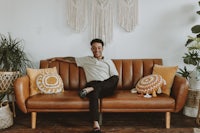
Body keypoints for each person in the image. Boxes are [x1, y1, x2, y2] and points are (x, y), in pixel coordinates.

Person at [49, 38, 119, 133]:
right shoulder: (86, 60)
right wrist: (57, 58)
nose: (97, 50)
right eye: (94, 48)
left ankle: (90, 89)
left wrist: (95, 87)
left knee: (115, 78)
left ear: (102, 48)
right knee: (94, 93)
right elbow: (72, 59)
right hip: (93, 84)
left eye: (99, 48)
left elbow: (115, 77)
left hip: (106, 87)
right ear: (91, 49)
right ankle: (96, 124)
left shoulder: (108, 61)